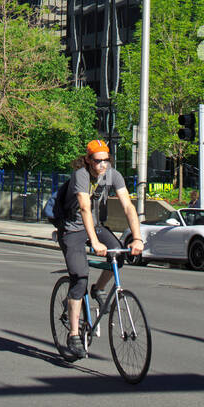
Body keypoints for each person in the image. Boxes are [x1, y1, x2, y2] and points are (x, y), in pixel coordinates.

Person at [58, 139, 144, 359]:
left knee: (118, 255)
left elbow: (128, 206)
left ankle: (99, 289)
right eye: (98, 161)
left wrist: (137, 238)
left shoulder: (113, 175)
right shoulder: (81, 175)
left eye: (106, 160)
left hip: (96, 226)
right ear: (88, 160)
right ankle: (74, 334)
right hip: (73, 229)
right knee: (79, 277)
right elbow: (85, 208)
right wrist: (94, 242)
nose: (102, 165)